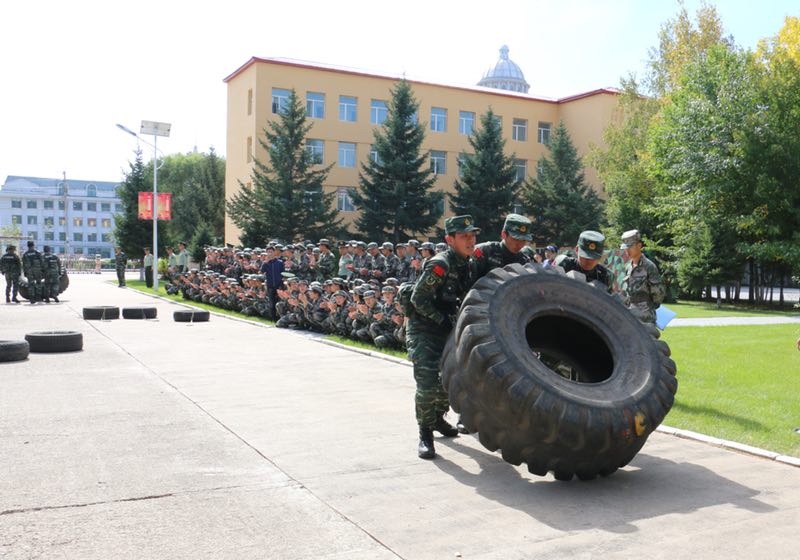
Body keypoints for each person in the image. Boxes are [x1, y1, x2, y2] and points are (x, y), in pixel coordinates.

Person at [407, 215, 479, 459]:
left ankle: (438, 418)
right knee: (427, 383)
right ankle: (425, 434)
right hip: (424, 328)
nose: (470, 240)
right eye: (464, 236)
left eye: (472, 236)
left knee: (448, 381)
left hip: (448, 328)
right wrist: (442, 320)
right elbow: (418, 300)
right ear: (450, 239)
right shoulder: (441, 264)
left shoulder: (468, 263)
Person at [620, 229, 665, 324]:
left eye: (630, 247)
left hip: (645, 317)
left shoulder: (649, 266)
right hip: (630, 316)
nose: (627, 250)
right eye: (625, 248)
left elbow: (658, 295)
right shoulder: (628, 266)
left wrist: (647, 307)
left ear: (639, 246)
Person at [472, 213, 532, 279]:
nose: (520, 244)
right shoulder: (484, 251)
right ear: (503, 234)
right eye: (516, 239)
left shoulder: (524, 261)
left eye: (524, 240)